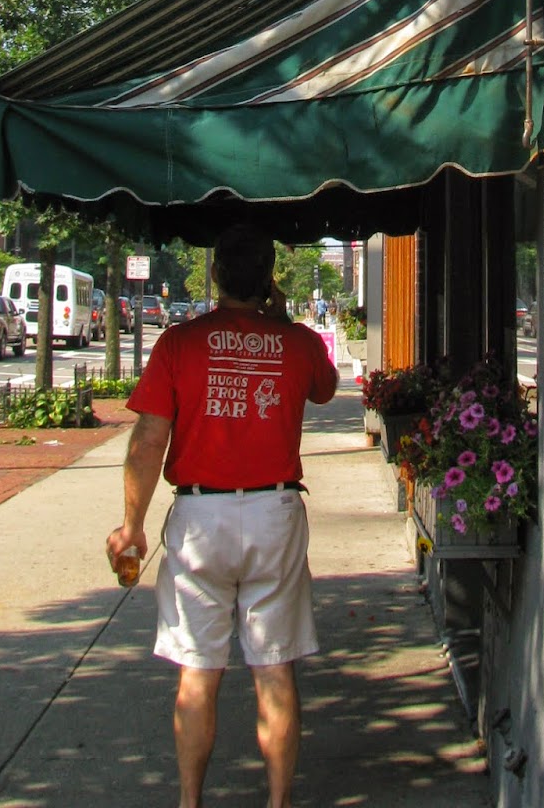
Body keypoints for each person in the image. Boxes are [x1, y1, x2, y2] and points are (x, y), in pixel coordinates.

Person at [106, 223, 338, 808]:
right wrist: (280, 321)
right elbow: (326, 389)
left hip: (199, 516)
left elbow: (148, 440)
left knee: (197, 671)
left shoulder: (178, 344)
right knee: (274, 669)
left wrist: (133, 525)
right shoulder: (298, 343)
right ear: (269, 278)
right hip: (274, 511)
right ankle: (278, 801)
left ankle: (190, 800)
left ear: (215, 275)